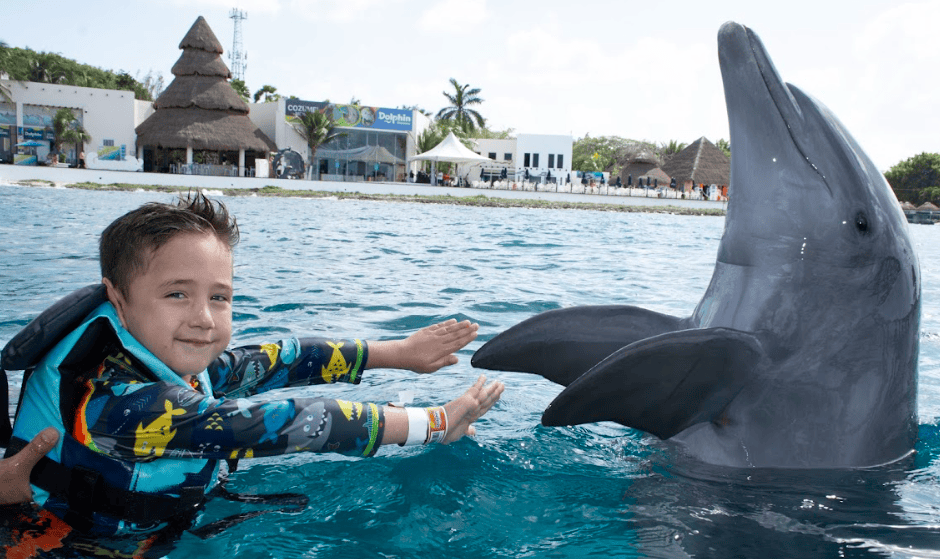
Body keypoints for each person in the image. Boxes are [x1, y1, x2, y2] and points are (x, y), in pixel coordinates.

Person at [3, 193, 503, 539]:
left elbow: (276, 359)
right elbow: (300, 423)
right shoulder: (120, 404)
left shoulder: (160, 357)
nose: (203, 319)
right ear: (119, 298)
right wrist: (437, 423)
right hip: (74, 544)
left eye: (219, 297)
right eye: (177, 294)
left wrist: (396, 353)